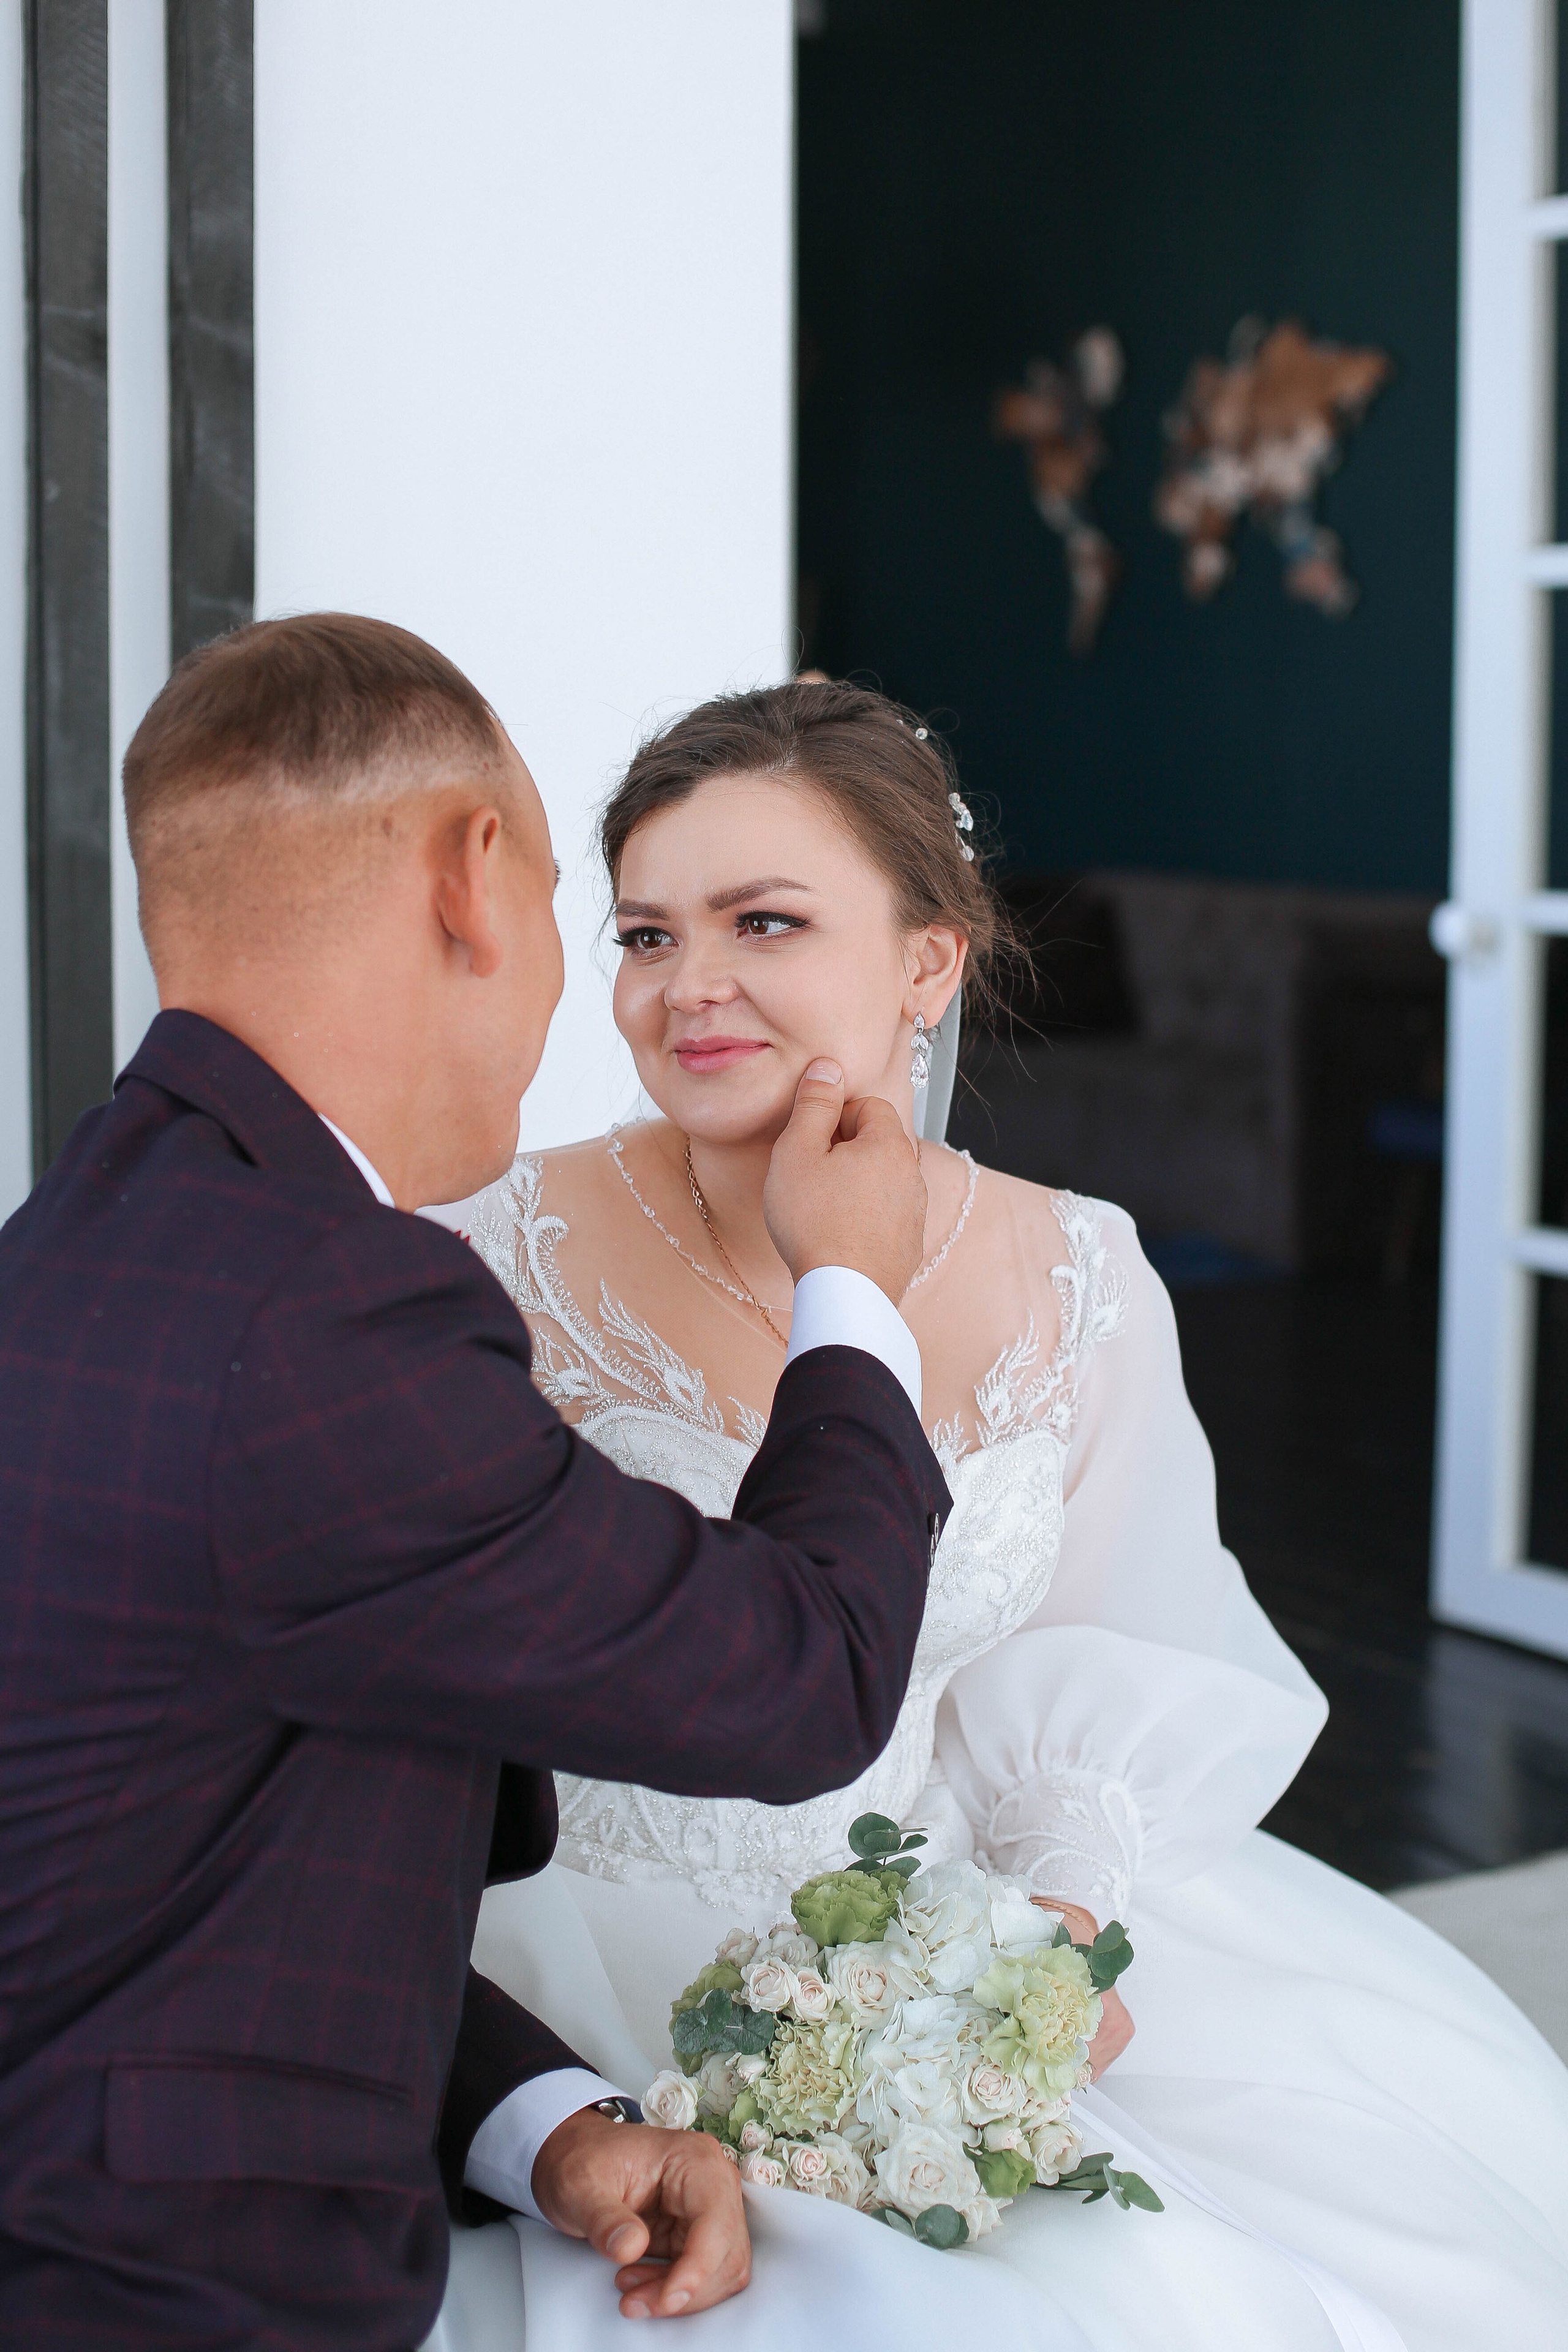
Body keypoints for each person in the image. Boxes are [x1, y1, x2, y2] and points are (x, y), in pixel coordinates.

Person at [449, 680, 1568, 2352]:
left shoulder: (1080, 1270)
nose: (688, 989)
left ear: (929, 962)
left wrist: (1042, 1943)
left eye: (764, 922)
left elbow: (1097, 1651)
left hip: (930, 1918)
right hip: (573, 1946)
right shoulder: (487, 1261)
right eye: (644, 935)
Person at [0, 620, 954, 2348]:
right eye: (634, 933)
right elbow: (806, 1675)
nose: (663, 989)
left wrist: (546, 2123)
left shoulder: (85, 1244)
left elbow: (198, 1862)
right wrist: (857, 1290)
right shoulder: (326, 1317)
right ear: (470, 876)